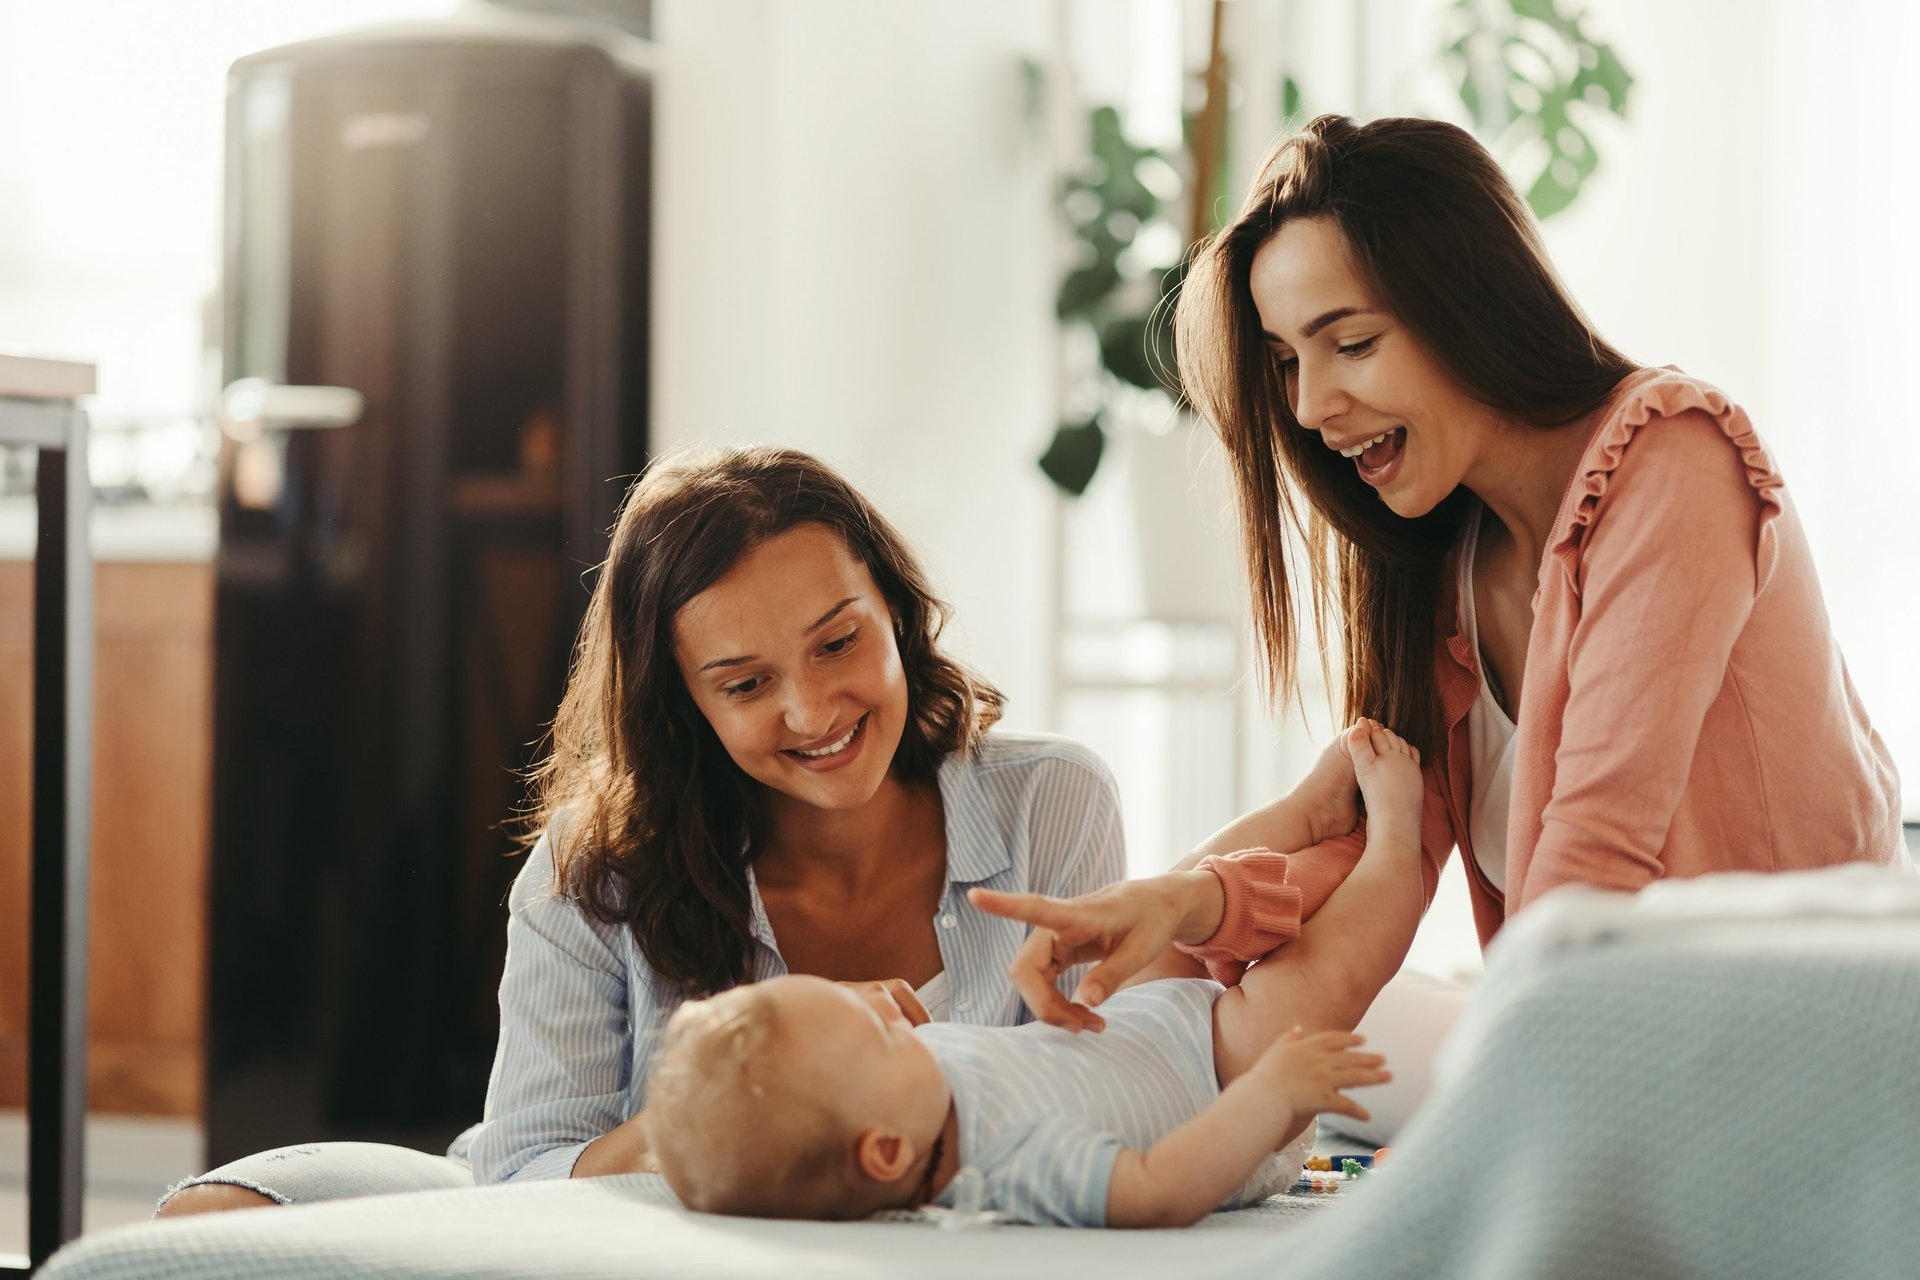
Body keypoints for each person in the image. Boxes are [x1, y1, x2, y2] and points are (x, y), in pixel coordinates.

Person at [975, 114, 1905, 1105]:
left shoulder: (1676, 457)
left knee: (1322, 1053)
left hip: (1802, 1058)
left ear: (1469, 303)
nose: (1310, 405)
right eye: (1289, 359)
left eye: (1352, 343)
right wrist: (1177, 900)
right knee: (1239, 1007)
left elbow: (1591, 872)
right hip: (1621, 1034)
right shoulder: (1445, 553)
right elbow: (1366, 854)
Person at [157, 446, 1129, 1216]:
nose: (812, 708)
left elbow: (1102, 1101)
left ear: (897, 611)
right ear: (683, 704)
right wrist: (728, 1107)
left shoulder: (1051, 801)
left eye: (840, 640)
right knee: (205, 1220)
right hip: (622, 1228)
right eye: (746, 683)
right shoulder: (593, 869)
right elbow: (522, 1170)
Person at [645, 721, 1418, 1227]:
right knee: (1326, 973)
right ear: (885, 1153)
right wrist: (1271, 1092)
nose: (890, 1011)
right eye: (879, 1036)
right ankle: (1399, 845)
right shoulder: (1003, 1168)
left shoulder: (900, 1098)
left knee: (1162, 893)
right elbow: (1155, 1187)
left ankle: (1305, 815)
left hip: (1135, 1024)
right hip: (1218, 1088)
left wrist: (860, 1024)